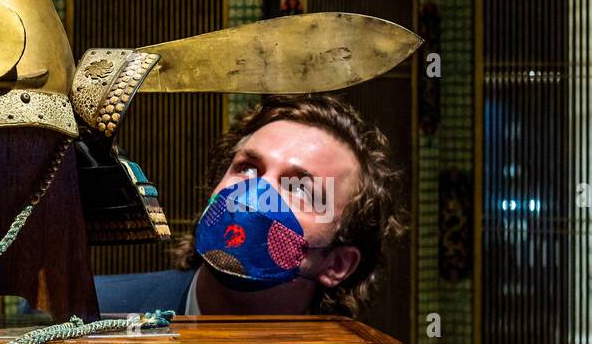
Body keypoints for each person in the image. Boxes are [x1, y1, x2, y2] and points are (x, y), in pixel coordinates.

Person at [96, 94, 407, 319]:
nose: (254, 194)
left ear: (337, 264)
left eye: (299, 188)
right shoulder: (92, 314)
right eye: (247, 168)